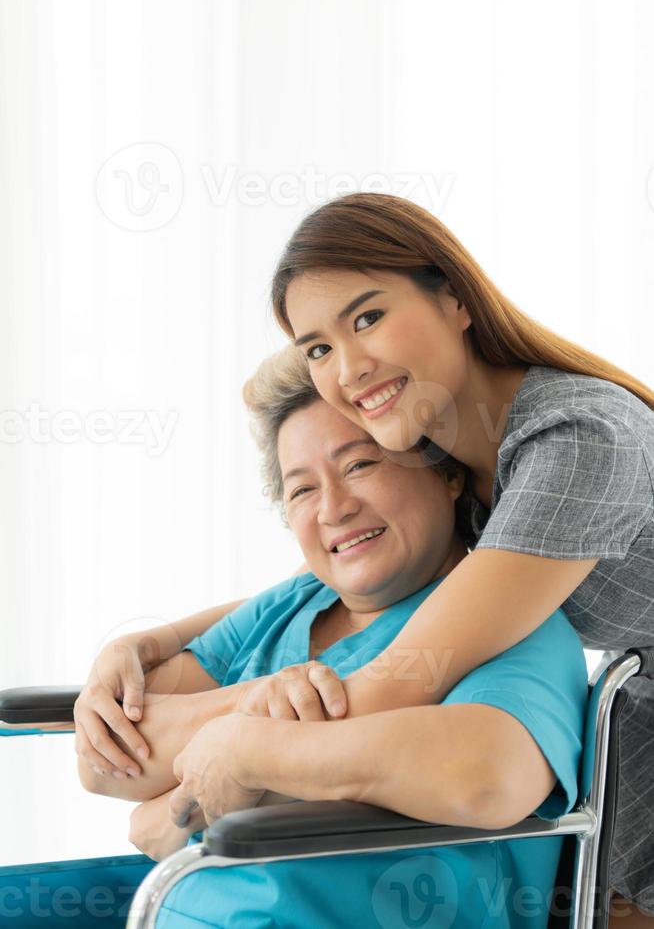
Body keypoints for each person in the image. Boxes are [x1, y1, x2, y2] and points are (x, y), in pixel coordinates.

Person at [75, 192, 653, 924]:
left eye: (368, 317)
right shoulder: (454, 468)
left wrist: (209, 788)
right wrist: (153, 639)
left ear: (454, 298)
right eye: (318, 347)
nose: (347, 368)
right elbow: (321, 573)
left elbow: (393, 684)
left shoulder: (580, 445)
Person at [78, 345, 588, 929]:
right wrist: (252, 704)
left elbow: (487, 776)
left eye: (360, 465)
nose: (334, 509)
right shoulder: (293, 605)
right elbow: (106, 762)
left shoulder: (504, 620)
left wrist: (247, 760)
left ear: (446, 471)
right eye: (301, 490)